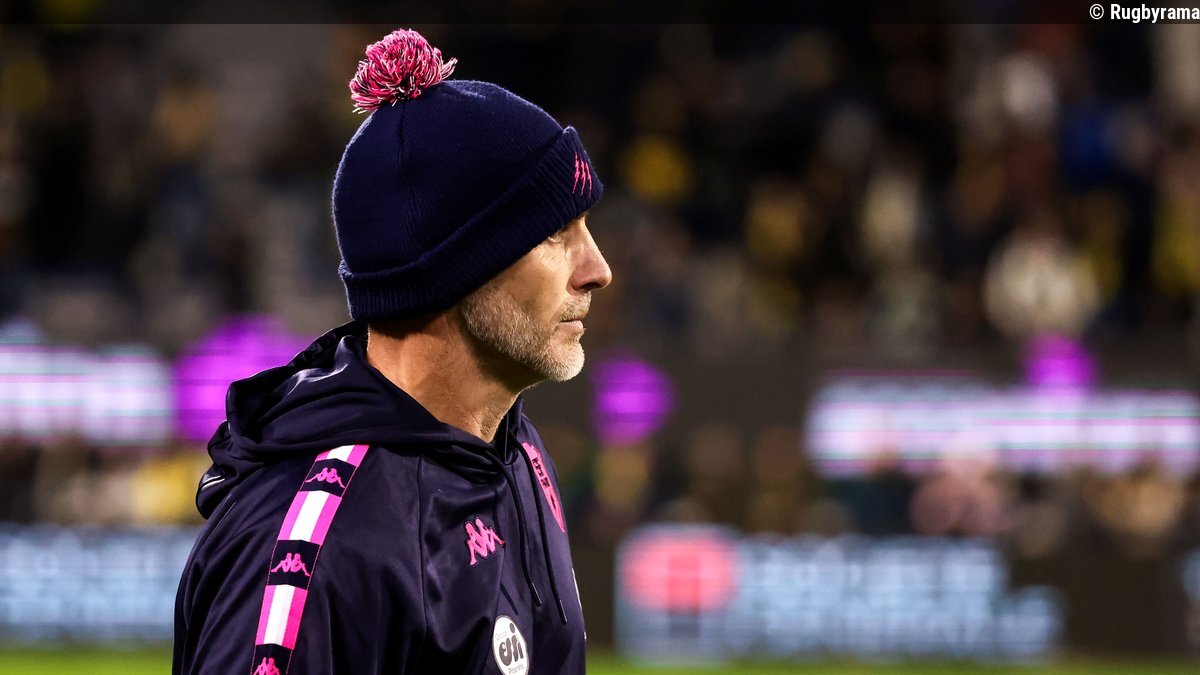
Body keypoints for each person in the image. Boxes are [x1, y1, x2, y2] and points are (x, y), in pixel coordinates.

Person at [173, 28, 611, 675]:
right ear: (454, 266)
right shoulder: (315, 546)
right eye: (554, 235)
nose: (597, 269)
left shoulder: (515, 452)